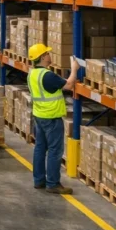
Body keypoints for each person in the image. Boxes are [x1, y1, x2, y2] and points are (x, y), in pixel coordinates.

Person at [27, 44, 78, 194]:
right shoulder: (47, 75)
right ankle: (53, 183)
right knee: (55, 151)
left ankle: (39, 181)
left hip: (39, 116)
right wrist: (74, 69)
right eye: (47, 53)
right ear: (42, 57)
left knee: (40, 149)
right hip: (52, 118)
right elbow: (68, 85)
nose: (50, 55)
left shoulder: (32, 74)